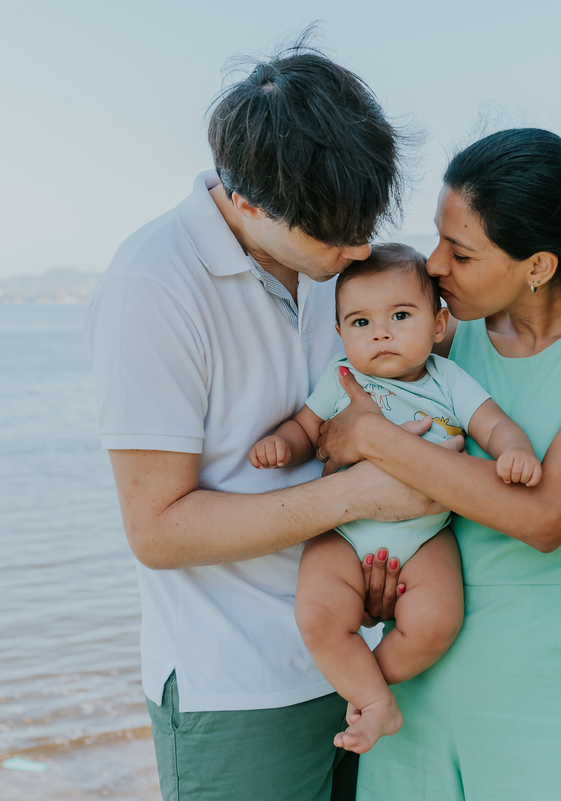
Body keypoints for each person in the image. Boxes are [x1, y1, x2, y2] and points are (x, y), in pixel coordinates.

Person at [82, 44, 434, 801]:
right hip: (233, 686)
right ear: (245, 202)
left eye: (367, 223)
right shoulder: (152, 285)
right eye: (336, 235)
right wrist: (362, 497)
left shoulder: (332, 264)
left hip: (354, 650)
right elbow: (159, 530)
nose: (361, 250)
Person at [316, 128, 561, 800]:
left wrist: (375, 439)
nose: (433, 265)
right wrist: (374, 574)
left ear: (538, 265)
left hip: (555, 684)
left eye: (460, 252)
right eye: (437, 240)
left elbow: (545, 515)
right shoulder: (444, 330)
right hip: (417, 673)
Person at [249, 244, 542, 755]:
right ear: (340, 334)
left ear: (437, 324)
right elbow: (307, 426)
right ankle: (373, 700)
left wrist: (513, 449)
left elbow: (489, 421)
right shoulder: (342, 378)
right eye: (360, 323)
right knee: (318, 615)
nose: (380, 333)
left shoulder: (446, 379)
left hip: (425, 536)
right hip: (342, 534)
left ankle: (370, 689)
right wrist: (285, 444)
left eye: (400, 316)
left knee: (435, 624)